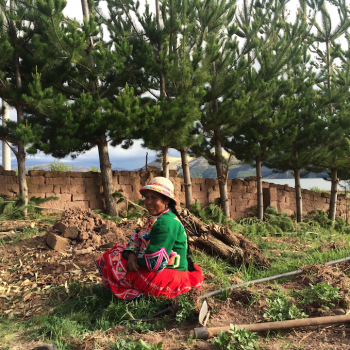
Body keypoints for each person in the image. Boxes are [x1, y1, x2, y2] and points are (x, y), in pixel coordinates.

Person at [94, 177, 204, 301]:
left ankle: (134, 291)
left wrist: (134, 258)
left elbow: (155, 263)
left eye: (154, 198)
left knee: (114, 258)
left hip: (167, 276)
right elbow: (137, 235)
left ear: (166, 200)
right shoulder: (155, 218)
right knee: (119, 250)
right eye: (147, 197)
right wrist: (131, 254)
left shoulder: (166, 223)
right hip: (158, 265)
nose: (148, 202)